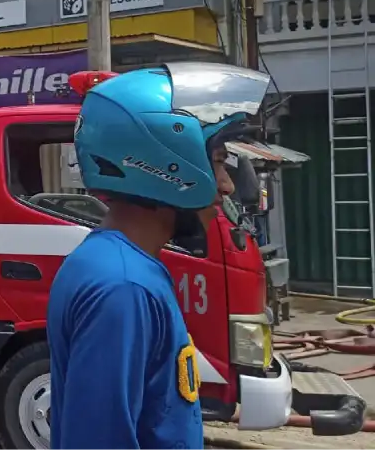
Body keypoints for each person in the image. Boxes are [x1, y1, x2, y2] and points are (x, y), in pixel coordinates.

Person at [47, 63, 270, 449]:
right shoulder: (123, 287)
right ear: (168, 161)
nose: (227, 185)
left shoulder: (123, 266)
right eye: (217, 161)